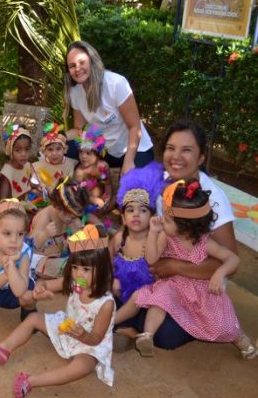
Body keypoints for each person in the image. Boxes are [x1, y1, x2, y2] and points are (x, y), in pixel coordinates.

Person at [121, 120, 238, 350]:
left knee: (165, 336)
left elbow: (230, 261)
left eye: (186, 150)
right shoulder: (165, 185)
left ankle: (135, 326)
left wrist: (175, 266)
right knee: (121, 280)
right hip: (166, 277)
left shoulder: (213, 200)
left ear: (201, 158)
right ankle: (130, 323)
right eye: (171, 148)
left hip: (200, 288)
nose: (176, 156)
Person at [114, 179, 256, 359]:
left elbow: (233, 258)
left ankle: (240, 339)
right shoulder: (166, 236)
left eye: (167, 220)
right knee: (159, 299)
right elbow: (151, 259)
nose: (162, 220)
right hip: (173, 285)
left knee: (222, 325)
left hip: (200, 294)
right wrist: (153, 233)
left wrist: (220, 273)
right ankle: (146, 335)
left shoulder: (205, 243)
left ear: (185, 227)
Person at [0, 225, 116, 398]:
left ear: (102, 269)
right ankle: (4, 348)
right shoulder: (73, 282)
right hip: (67, 328)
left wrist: (82, 335)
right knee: (33, 318)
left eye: (86, 270)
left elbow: (96, 338)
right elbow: (46, 284)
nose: (78, 274)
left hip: (89, 344)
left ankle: (30, 381)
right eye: (75, 267)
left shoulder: (106, 303)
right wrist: (40, 288)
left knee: (81, 367)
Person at [64, 40, 154, 175]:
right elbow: (79, 130)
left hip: (135, 149)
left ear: (91, 61)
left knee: (134, 184)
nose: (77, 68)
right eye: (72, 66)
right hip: (104, 149)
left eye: (82, 62)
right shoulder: (75, 92)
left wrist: (128, 161)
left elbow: (134, 126)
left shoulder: (116, 83)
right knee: (61, 149)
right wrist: (60, 137)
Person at [109, 162, 164, 305]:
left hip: (145, 300)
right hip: (118, 294)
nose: (136, 214)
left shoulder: (154, 240)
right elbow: (107, 262)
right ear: (123, 218)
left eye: (143, 210)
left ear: (152, 216)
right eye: (130, 210)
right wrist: (112, 280)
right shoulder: (119, 239)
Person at [29, 178, 88, 280]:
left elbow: (82, 245)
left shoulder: (69, 219)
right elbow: (29, 247)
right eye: (72, 217)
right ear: (58, 207)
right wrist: (45, 234)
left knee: (85, 260)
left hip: (60, 257)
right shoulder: (45, 218)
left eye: (76, 216)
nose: (74, 219)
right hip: (39, 262)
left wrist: (79, 235)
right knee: (70, 269)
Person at [73, 123, 112, 212]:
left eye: (88, 153)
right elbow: (77, 193)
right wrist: (93, 199)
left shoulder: (103, 166)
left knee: (114, 200)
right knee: (84, 210)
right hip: (86, 201)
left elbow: (108, 184)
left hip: (101, 199)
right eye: (81, 152)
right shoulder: (80, 172)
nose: (83, 156)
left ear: (97, 154)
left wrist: (108, 197)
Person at [32, 123, 76, 197]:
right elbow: (33, 186)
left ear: (65, 149)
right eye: (50, 149)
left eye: (58, 149)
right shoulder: (36, 167)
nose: (54, 153)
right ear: (44, 151)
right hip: (44, 198)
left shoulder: (71, 164)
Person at [0, 125, 35, 203]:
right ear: (11, 150)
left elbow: (35, 186)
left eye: (27, 149)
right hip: (12, 208)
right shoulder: (7, 173)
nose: (23, 154)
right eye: (18, 150)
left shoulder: (28, 166)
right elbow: (2, 203)